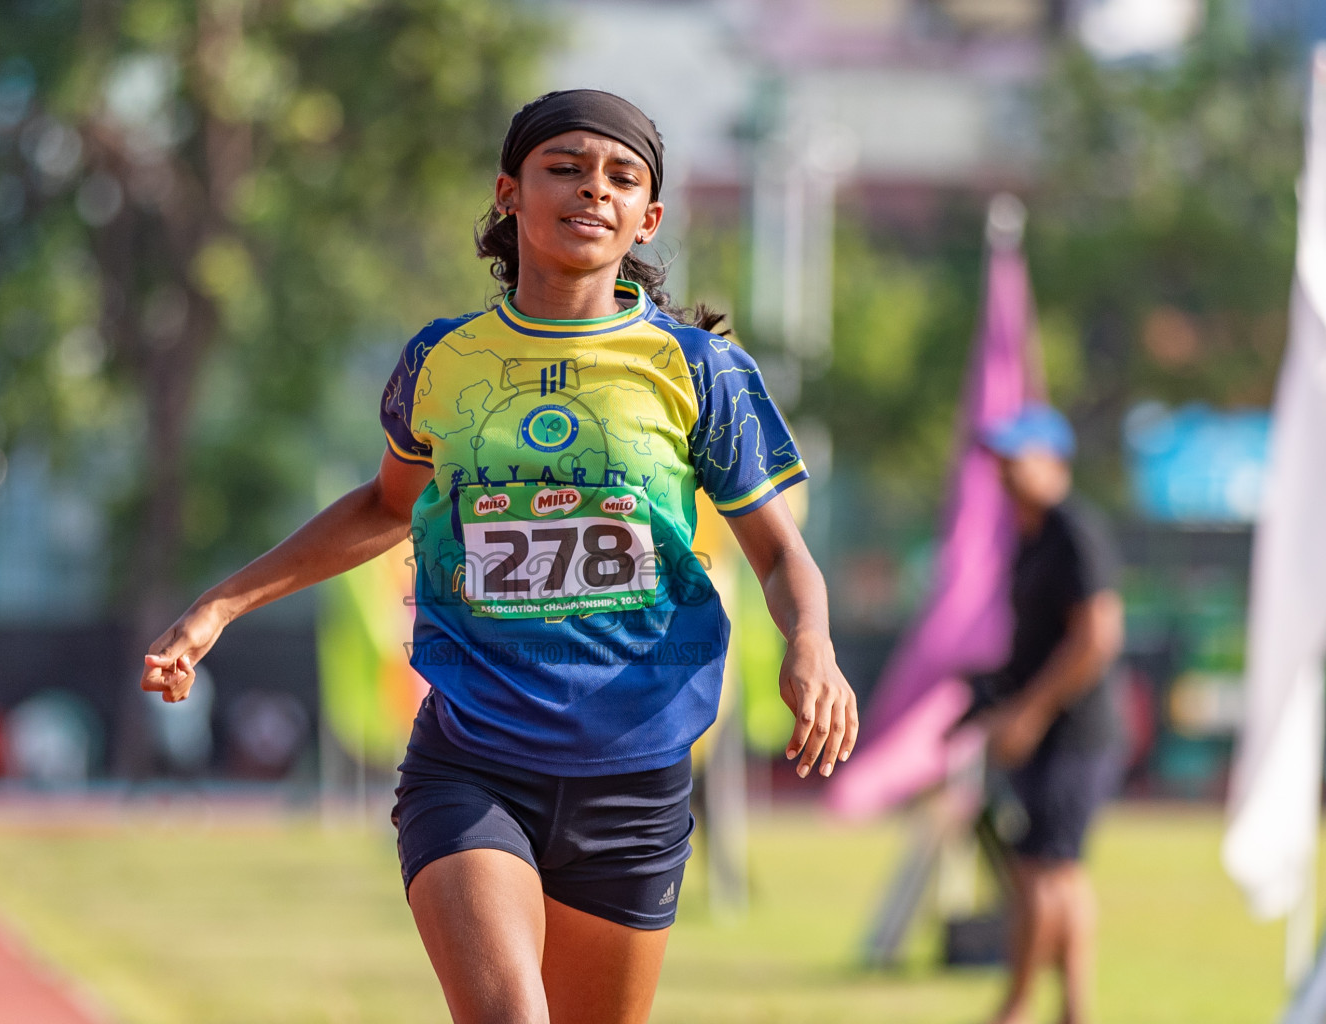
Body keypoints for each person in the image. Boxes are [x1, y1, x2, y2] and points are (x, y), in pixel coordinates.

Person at [139, 89, 859, 1024]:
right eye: (564, 167)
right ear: (510, 192)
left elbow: (778, 553)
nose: (591, 190)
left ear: (649, 217)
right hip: (475, 762)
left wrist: (813, 643)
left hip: (637, 775)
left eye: (620, 177)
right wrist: (220, 607)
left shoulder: (696, 370)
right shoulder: (442, 361)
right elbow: (384, 506)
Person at [974, 404, 1125, 1024]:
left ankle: (1020, 1006)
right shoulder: (1031, 536)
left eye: (1017, 457)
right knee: (1054, 870)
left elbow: (1097, 635)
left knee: (1045, 870)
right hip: (1046, 732)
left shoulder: (1073, 531)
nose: (1004, 470)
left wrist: (1029, 714)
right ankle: (1070, 1010)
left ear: (1052, 459)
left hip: (1075, 733)